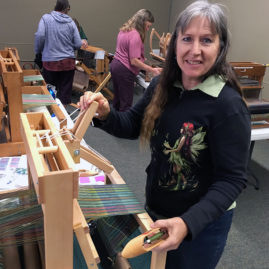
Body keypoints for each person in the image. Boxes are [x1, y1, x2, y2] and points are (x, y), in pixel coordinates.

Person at [79, 1, 251, 268]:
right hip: (158, 212)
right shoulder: (162, 85)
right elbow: (132, 124)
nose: (195, 50)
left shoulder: (227, 105)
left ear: (220, 46)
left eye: (206, 40)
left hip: (201, 227)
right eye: (187, 39)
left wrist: (187, 223)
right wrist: (105, 114)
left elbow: (231, 180)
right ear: (176, 44)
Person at [34, 0, 87, 105]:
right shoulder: (71, 22)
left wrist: (38, 51)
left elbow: (40, 36)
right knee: (65, 93)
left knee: (50, 90)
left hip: (50, 62)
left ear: (55, 6)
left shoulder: (45, 18)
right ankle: (63, 117)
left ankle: (49, 116)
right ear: (67, 9)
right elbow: (77, 44)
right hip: (68, 63)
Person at [110, 9, 162, 111]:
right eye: (147, 26)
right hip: (124, 70)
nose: (147, 29)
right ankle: (124, 126)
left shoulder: (124, 30)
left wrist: (141, 58)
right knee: (125, 104)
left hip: (115, 65)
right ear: (141, 23)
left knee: (117, 101)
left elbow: (126, 51)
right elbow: (133, 61)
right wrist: (151, 69)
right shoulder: (135, 35)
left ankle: (115, 124)